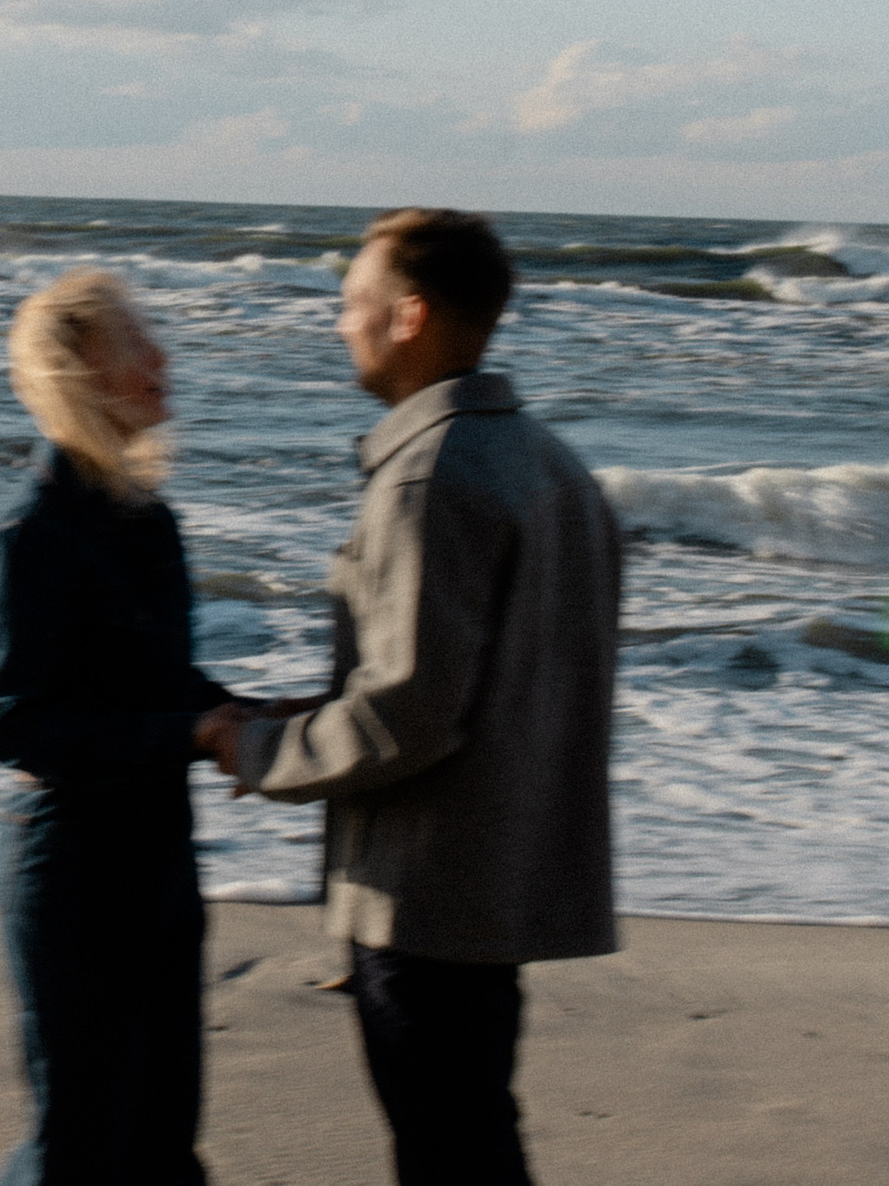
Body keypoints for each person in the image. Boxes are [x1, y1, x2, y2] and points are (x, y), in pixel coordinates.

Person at [211, 208, 621, 1186]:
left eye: (352, 302)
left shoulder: (426, 477)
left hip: (425, 895)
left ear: (409, 315)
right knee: (472, 1136)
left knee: (449, 1150)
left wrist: (260, 753)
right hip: (500, 878)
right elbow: (487, 681)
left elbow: (410, 708)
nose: (339, 322)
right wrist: (307, 716)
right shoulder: (554, 466)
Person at [0, 268, 255, 1186]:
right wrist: (189, 734)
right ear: (81, 375)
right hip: (73, 865)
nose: (163, 357)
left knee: (163, 1138)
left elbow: (158, 681)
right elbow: (21, 726)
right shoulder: (36, 534)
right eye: (138, 341)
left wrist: (250, 714)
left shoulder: (149, 521)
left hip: (158, 854)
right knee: (80, 1146)